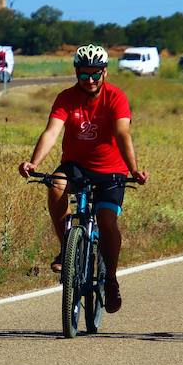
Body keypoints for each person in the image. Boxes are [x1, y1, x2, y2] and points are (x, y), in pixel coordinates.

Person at [17, 44, 148, 314]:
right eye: (84, 74)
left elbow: (123, 133)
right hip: (76, 166)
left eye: (95, 74)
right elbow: (52, 132)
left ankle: (110, 279)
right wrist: (34, 162)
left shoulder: (116, 97)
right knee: (55, 184)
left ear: (105, 72)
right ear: (76, 72)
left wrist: (133, 168)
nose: (89, 80)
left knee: (107, 220)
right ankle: (67, 248)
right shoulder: (66, 97)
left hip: (111, 171)